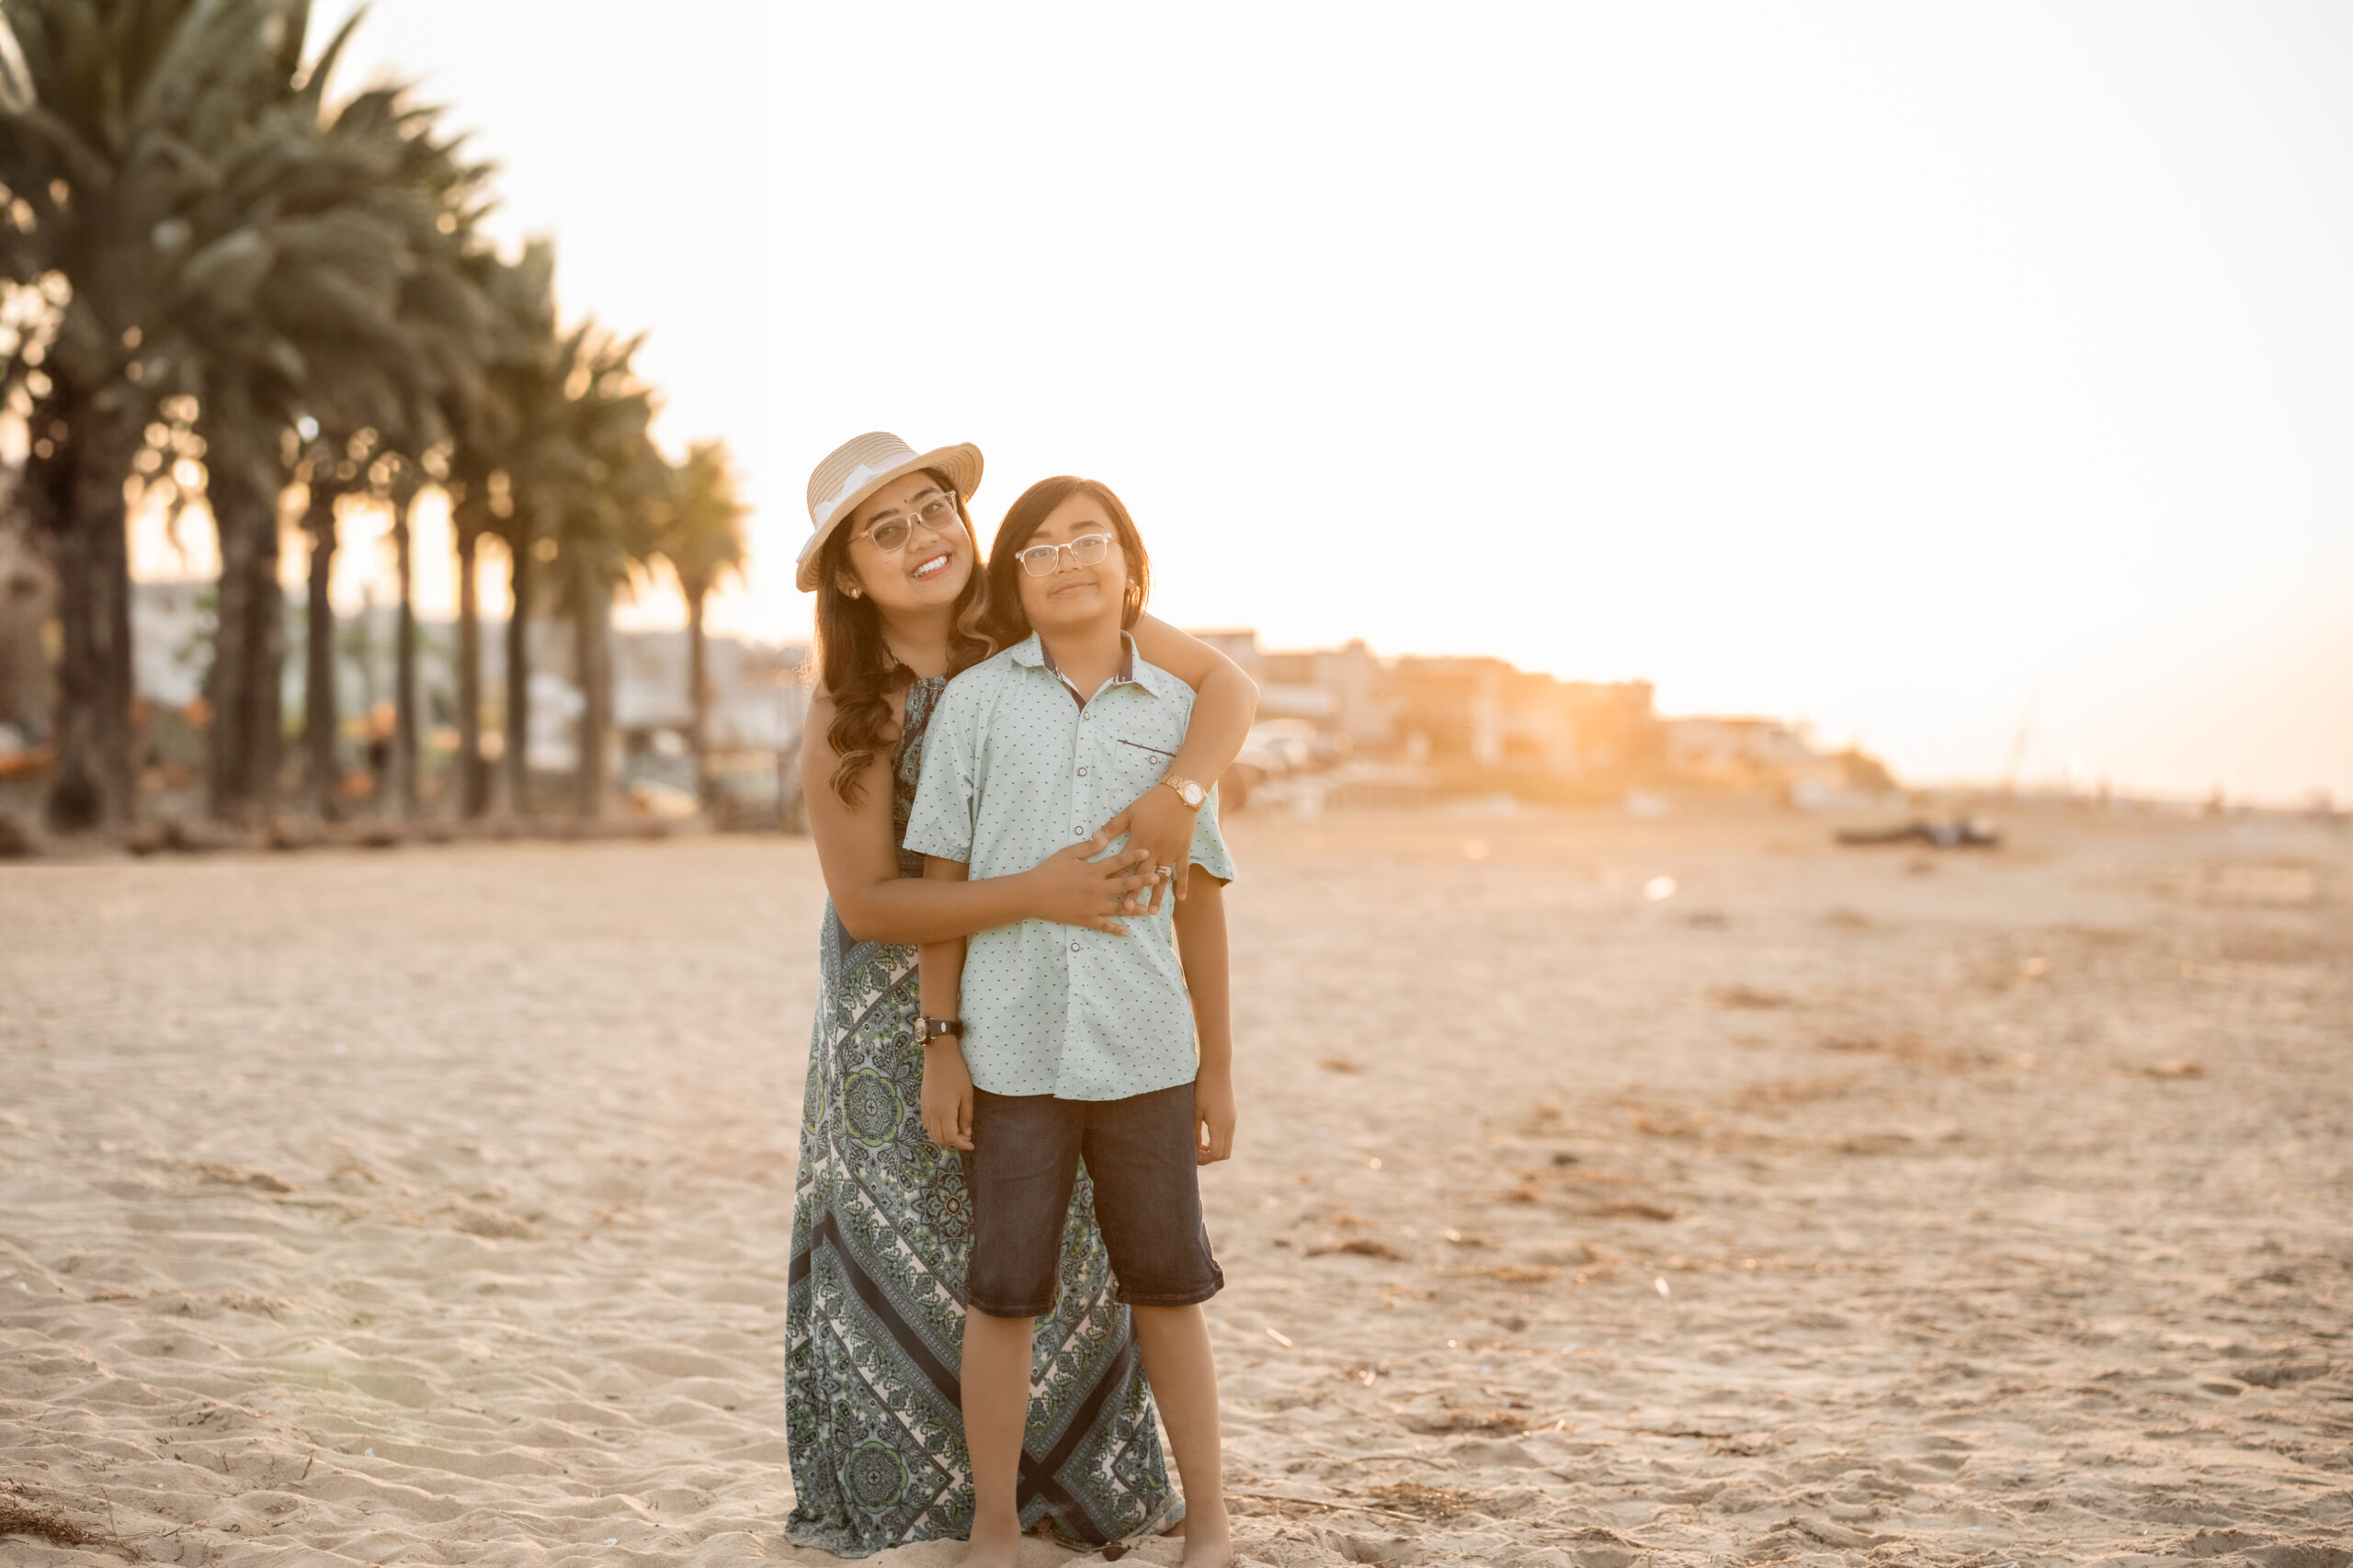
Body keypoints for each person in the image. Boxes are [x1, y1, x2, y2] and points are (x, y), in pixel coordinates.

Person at [785, 434, 1257, 1557]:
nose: (922, 538)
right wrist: (1030, 900)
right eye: (884, 528)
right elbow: (868, 903)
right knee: (931, 1256)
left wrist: (1178, 796)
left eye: (933, 508)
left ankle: (1076, 1488)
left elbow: (1226, 690)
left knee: (1082, 1260)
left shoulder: (1040, 632)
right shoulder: (847, 711)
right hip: (899, 1010)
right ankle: (928, 1505)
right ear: (850, 573)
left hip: (1073, 993)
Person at [906, 474, 1238, 1568]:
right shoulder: (978, 704)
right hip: (1011, 1049)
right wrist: (940, 1042)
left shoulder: (1179, 720)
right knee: (1003, 1294)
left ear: (1131, 570)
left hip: (1148, 1047)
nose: (1066, 559)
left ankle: (1214, 1522)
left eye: (1088, 538)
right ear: (1014, 580)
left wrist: (1217, 1071)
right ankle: (995, 1528)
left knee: (1169, 1288)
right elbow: (942, 880)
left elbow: (1201, 906)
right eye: (1039, 547)